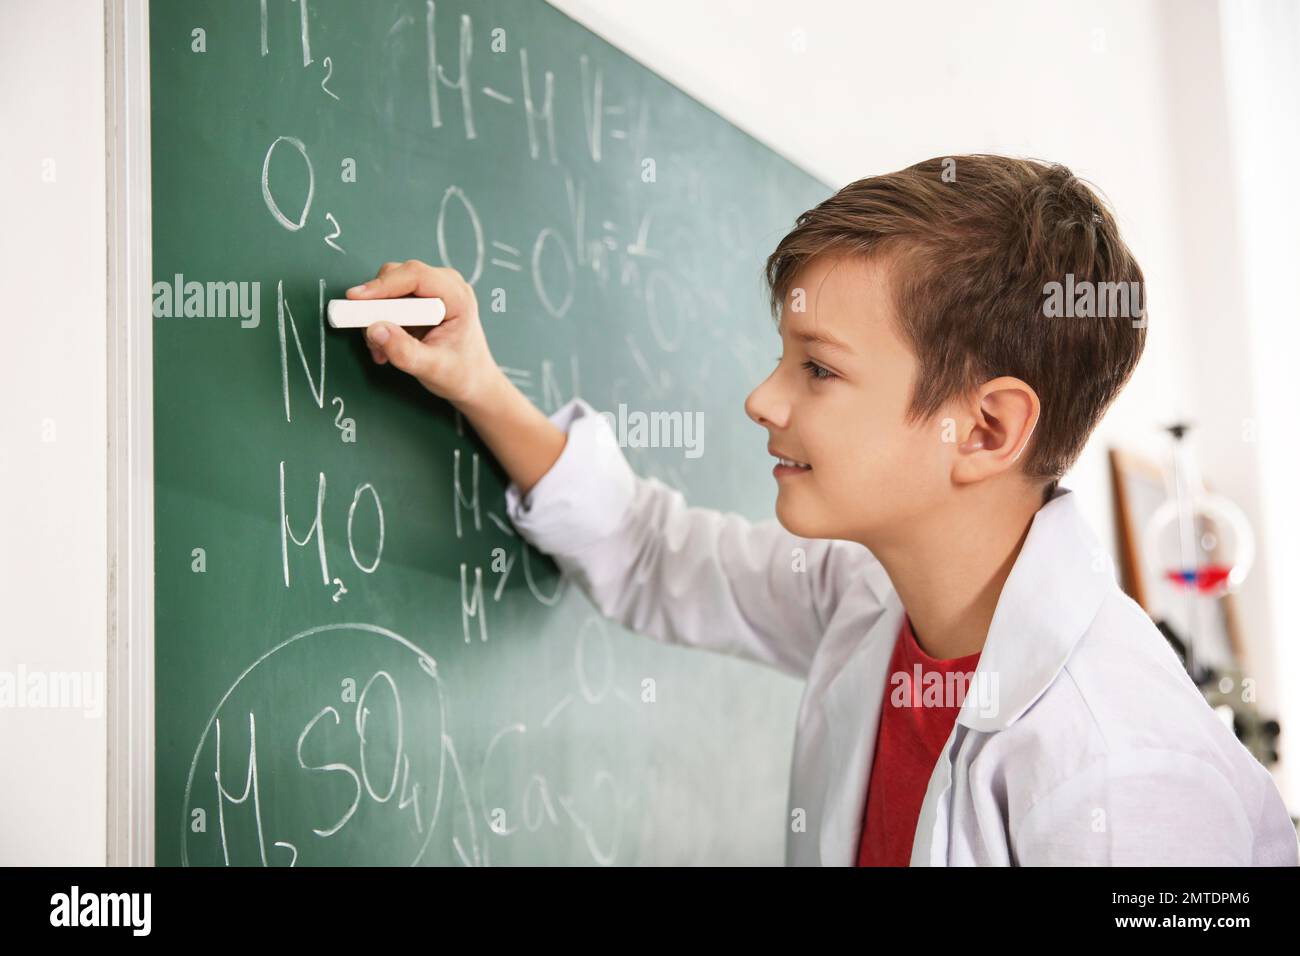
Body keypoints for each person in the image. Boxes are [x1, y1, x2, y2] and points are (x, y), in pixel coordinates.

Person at [346, 155, 1299, 866]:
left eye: (819, 367)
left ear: (984, 429)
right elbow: (649, 550)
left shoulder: (1126, 774)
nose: (763, 400)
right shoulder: (875, 597)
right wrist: (475, 381)